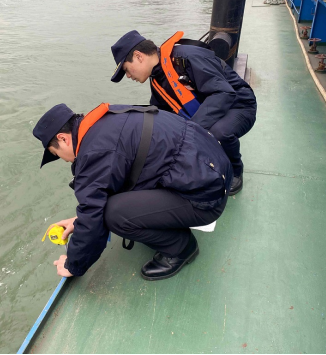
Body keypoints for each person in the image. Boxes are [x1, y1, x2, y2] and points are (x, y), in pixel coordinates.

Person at [33, 102, 233, 281]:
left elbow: (94, 218)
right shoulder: (107, 119)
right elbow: (106, 186)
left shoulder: (91, 153)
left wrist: (72, 265)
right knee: (110, 205)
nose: (64, 160)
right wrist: (79, 220)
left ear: (63, 139)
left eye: (56, 153)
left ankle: (181, 248)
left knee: (113, 214)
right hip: (215, 170)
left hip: (206, 198)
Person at [110, 30, 257, 196]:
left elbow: (224, 93)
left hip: (239, 104)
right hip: (211, 107)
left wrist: (192, 130)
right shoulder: (158, 77)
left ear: (138, 56)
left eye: (127, 70)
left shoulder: (188, 57)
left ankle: (235, 170)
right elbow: (162, 114)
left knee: (218, 132)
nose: (129, 76)